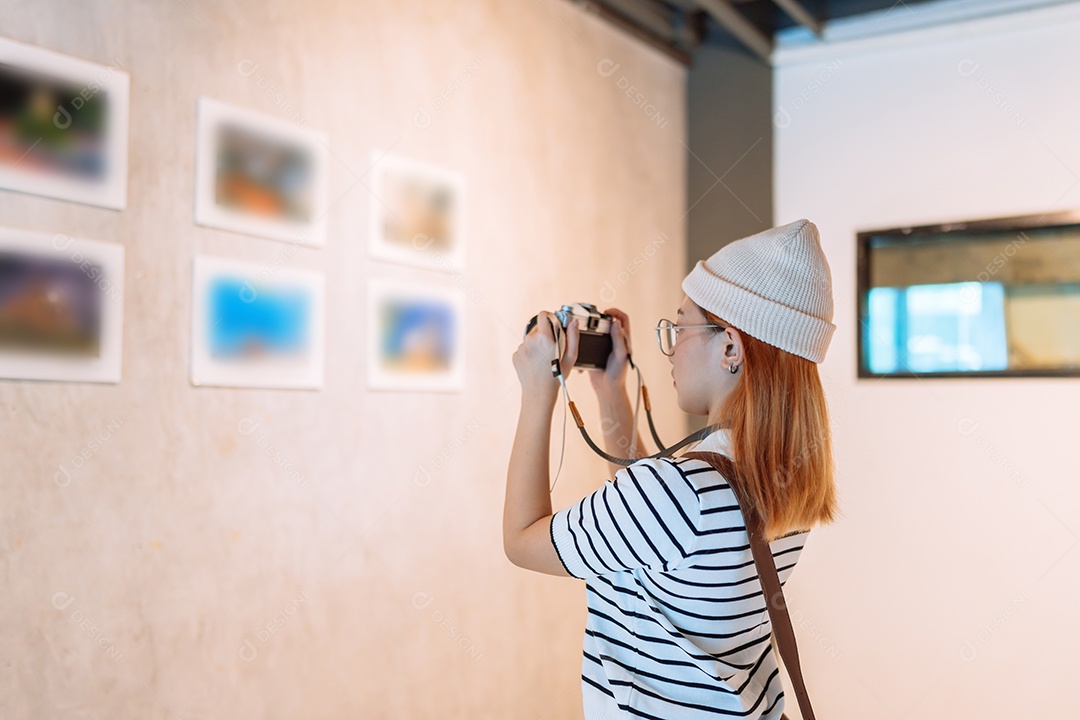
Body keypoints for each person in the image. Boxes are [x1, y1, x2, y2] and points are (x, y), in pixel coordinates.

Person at [504, 218, 839, 720]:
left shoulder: (680, 494)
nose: (671, 346)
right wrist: (611, 391)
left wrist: (538, 391)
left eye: (680, 326)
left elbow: (521, 540)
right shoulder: (787, 479)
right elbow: (655, 529)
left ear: (730, 347)